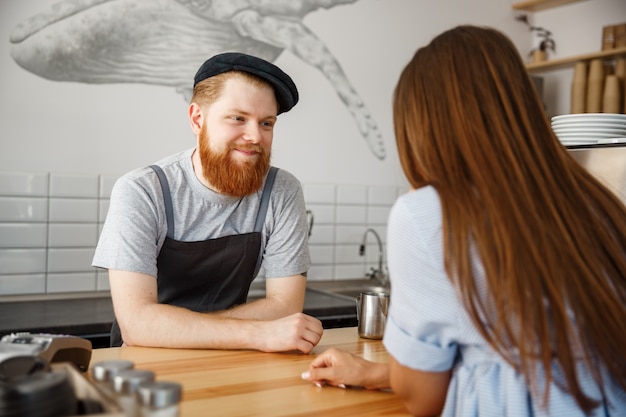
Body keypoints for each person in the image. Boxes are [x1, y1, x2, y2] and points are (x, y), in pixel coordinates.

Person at [302, 25, 626, 416]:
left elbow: (425, 398)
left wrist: (398, 375)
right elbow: (518, 358)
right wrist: (377, 374)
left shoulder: (427, 213)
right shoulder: (597, 200)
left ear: (422, 128)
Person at [93, 52, 323, 353]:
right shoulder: (142, 191)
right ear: (197, 119)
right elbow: (137, 325)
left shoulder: (281, 191)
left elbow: (284, 307)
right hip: (145, 366)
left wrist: (173, 328)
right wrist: (257, 333)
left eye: (266, 123)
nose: (255, 136)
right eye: (238, 118)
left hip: (232, 362)